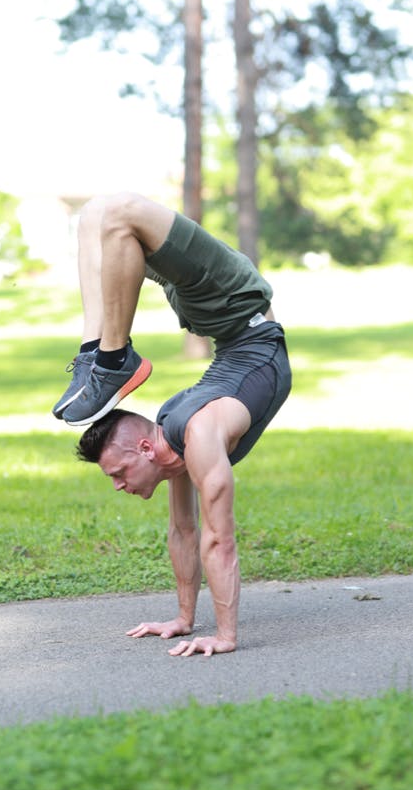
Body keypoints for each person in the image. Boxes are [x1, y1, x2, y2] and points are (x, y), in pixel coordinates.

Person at [53, 192, 291, 656]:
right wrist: (184, 619)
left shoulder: (196, 436)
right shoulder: (174, 439)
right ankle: (97, 354)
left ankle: (111, 357)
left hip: (232, 301)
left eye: (117, 474)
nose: (119, 487)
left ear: (144, 449)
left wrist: (225, 637)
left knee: (113, 212)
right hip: (216, 316)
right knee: (94, 218)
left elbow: (219, 538)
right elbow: (185, 531)